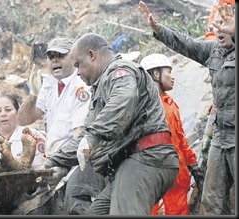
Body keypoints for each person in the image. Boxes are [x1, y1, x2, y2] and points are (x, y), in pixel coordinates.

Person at [48, 32, 179, 215]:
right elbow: (86, 136)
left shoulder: (120, 70)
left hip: (146, 158)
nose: (77, 72)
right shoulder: (101, 86)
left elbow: (123, 99)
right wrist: (54, 162)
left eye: (78, 65)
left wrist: (93, 137)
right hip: (131, 163)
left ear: (92, 55)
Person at [139, 1, 235, 215]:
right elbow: (185, 43)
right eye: (215, 25)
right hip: (220, 138)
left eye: (223, 23)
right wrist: (157, 29)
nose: (217, 28)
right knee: (211, 201)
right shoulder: (214, 52)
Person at [17, 37, 105, 215]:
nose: (55, 60)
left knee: (75, 210)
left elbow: (79, 137)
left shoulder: (81, 86)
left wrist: (61, 166)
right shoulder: (48, 85)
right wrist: (33, 94)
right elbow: (23, 119)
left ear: (72, 58)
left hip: (76, 166)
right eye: (51, 56)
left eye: (61, 55)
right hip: (54, 166)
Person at [139, 53, 204, 215]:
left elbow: (180, 139)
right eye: (169, 72)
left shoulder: (170, 104)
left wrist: (193, 165)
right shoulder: (142, 107)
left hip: (177, 179)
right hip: (154, 180)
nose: (172, 77)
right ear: (156, 74)